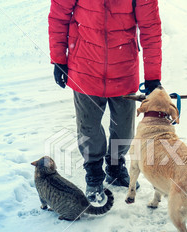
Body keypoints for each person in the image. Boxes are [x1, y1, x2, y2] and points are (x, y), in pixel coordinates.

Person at [48, 0, 162, 203]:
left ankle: (116, 167)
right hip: (85, 69)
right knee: (89, 128)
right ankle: (93, 173)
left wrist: (153, 77)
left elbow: (150, 28)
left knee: (125, 130)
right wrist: (59, 59)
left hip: (124, 71)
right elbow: (59, 17)